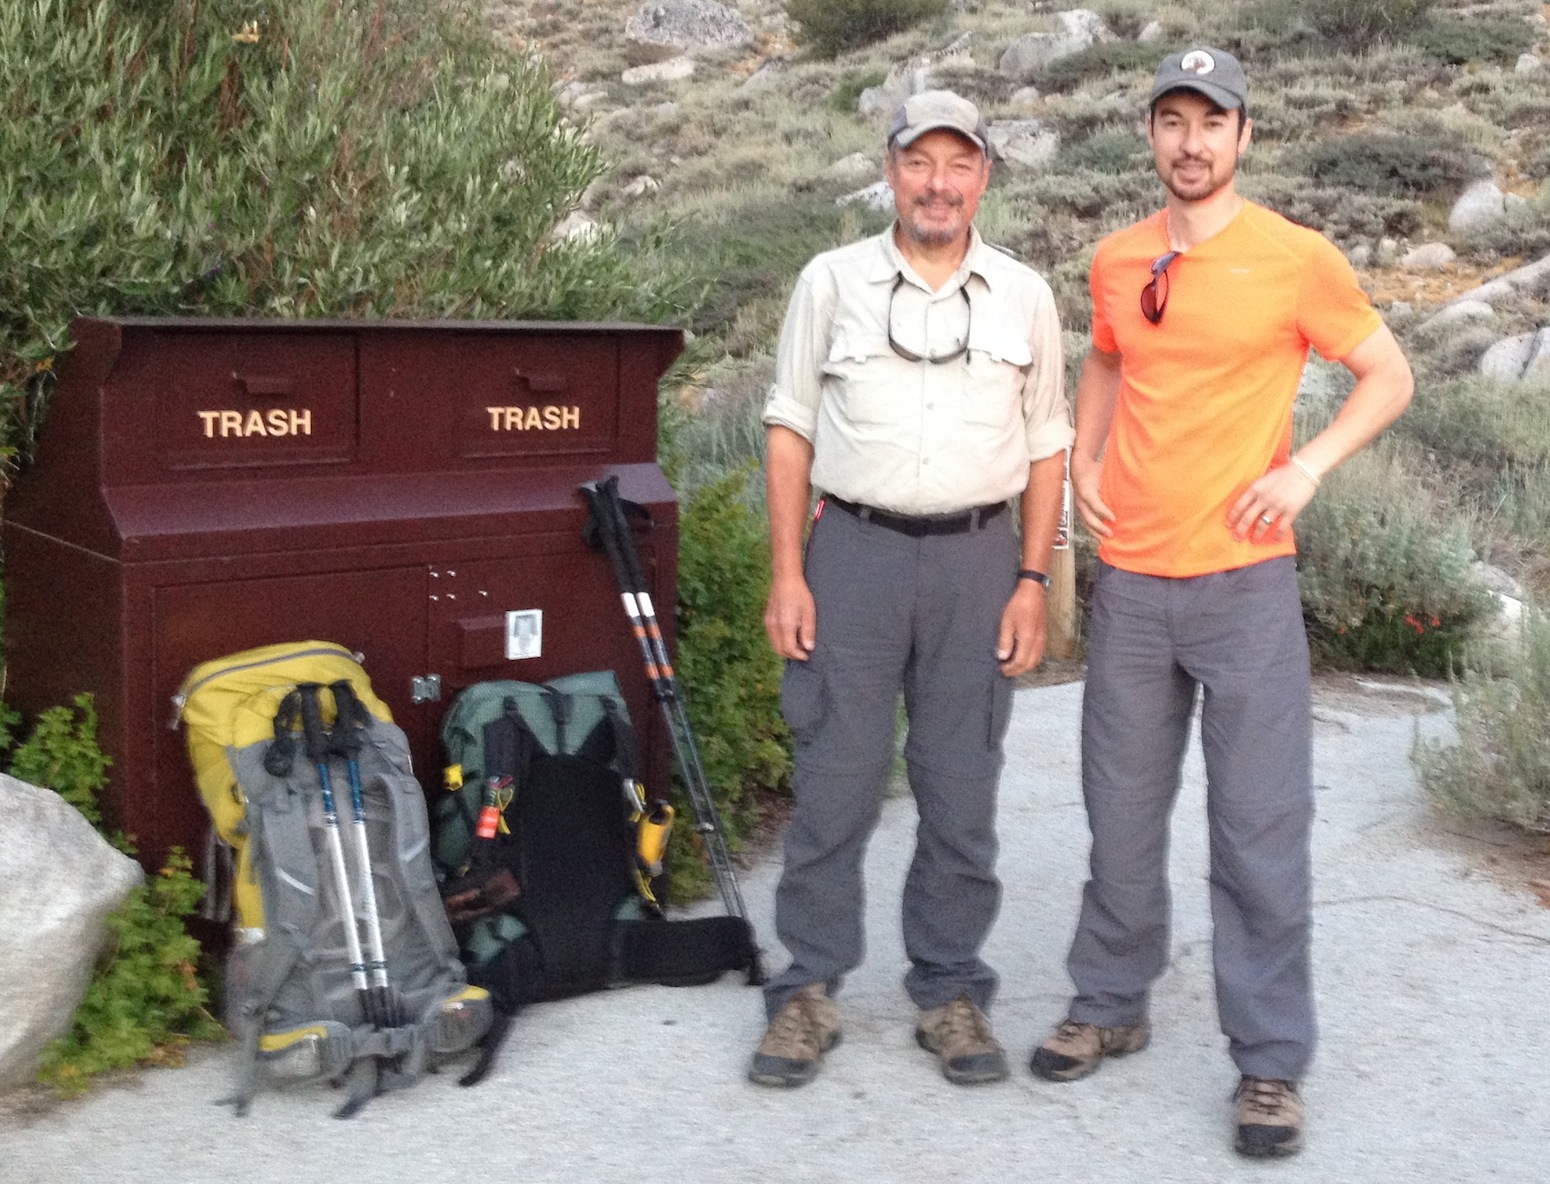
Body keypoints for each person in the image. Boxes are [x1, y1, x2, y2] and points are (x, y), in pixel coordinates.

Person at [1027, 48, 1414, 1157]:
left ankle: (1268, 1062)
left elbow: (1389, 375)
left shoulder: (1294, 258)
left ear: (1244, 136)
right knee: (1118, 814)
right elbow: (1105, 357)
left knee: (1256, 830)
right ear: (1148, 135)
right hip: (1134, 586)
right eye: (1170, 121)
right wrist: (1087, 458)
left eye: (1211, 121)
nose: (1190, 142)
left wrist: (1309, 466)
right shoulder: (1116, 258)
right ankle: (1109, 999)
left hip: (1245, 583)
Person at [751, 90, 1073, 1089]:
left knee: (959, 787)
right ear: (889, 169)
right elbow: (788, 428)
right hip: (851, 554)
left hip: (979, 563)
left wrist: (1031, 580)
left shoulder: (1023, 296)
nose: (937, 183)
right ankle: (807, 987)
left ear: (983, 176)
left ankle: (948, 990)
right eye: (918, 161)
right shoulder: (830, 281)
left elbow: (1046, 447)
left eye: (957, 163)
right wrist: (787, 571)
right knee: (834, 779)